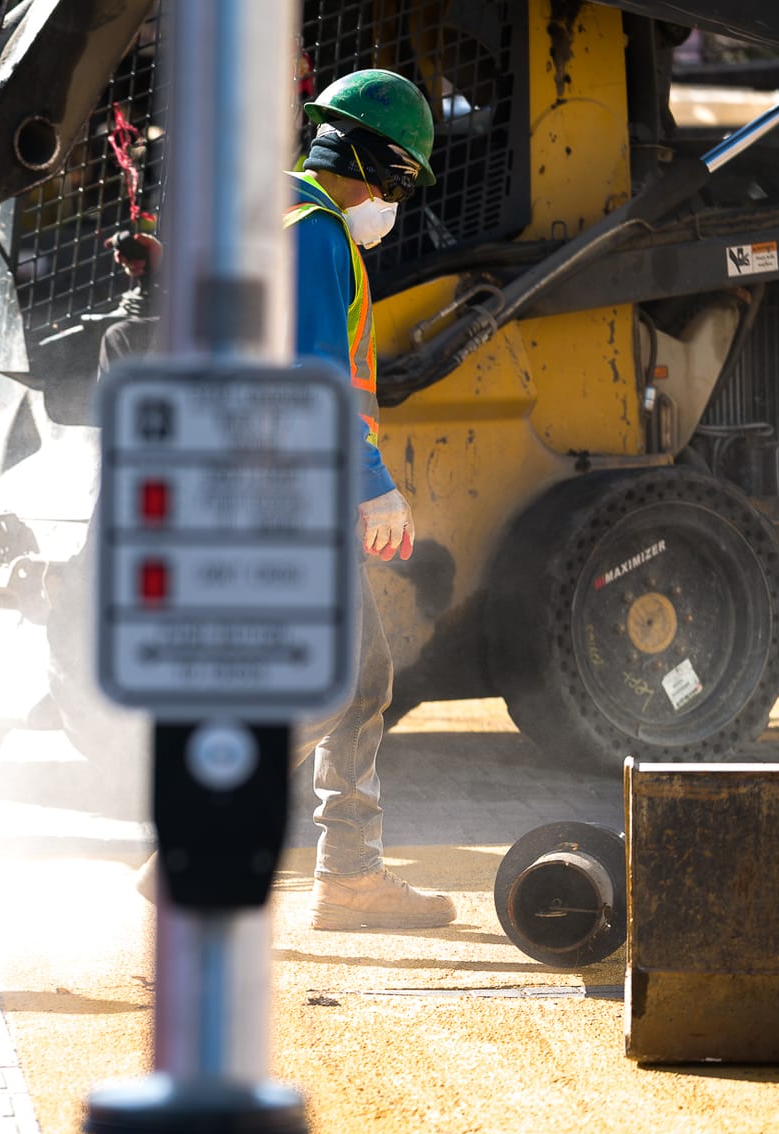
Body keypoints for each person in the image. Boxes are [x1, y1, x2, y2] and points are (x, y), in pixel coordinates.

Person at [282, 69, 452, 930]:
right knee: (339, 684)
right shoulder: (313, 234)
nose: (394, 202)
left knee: (360, 675)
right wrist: (373, 485)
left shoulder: (271, 219)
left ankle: (349, 875)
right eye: (398, 182)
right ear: (372, 162)